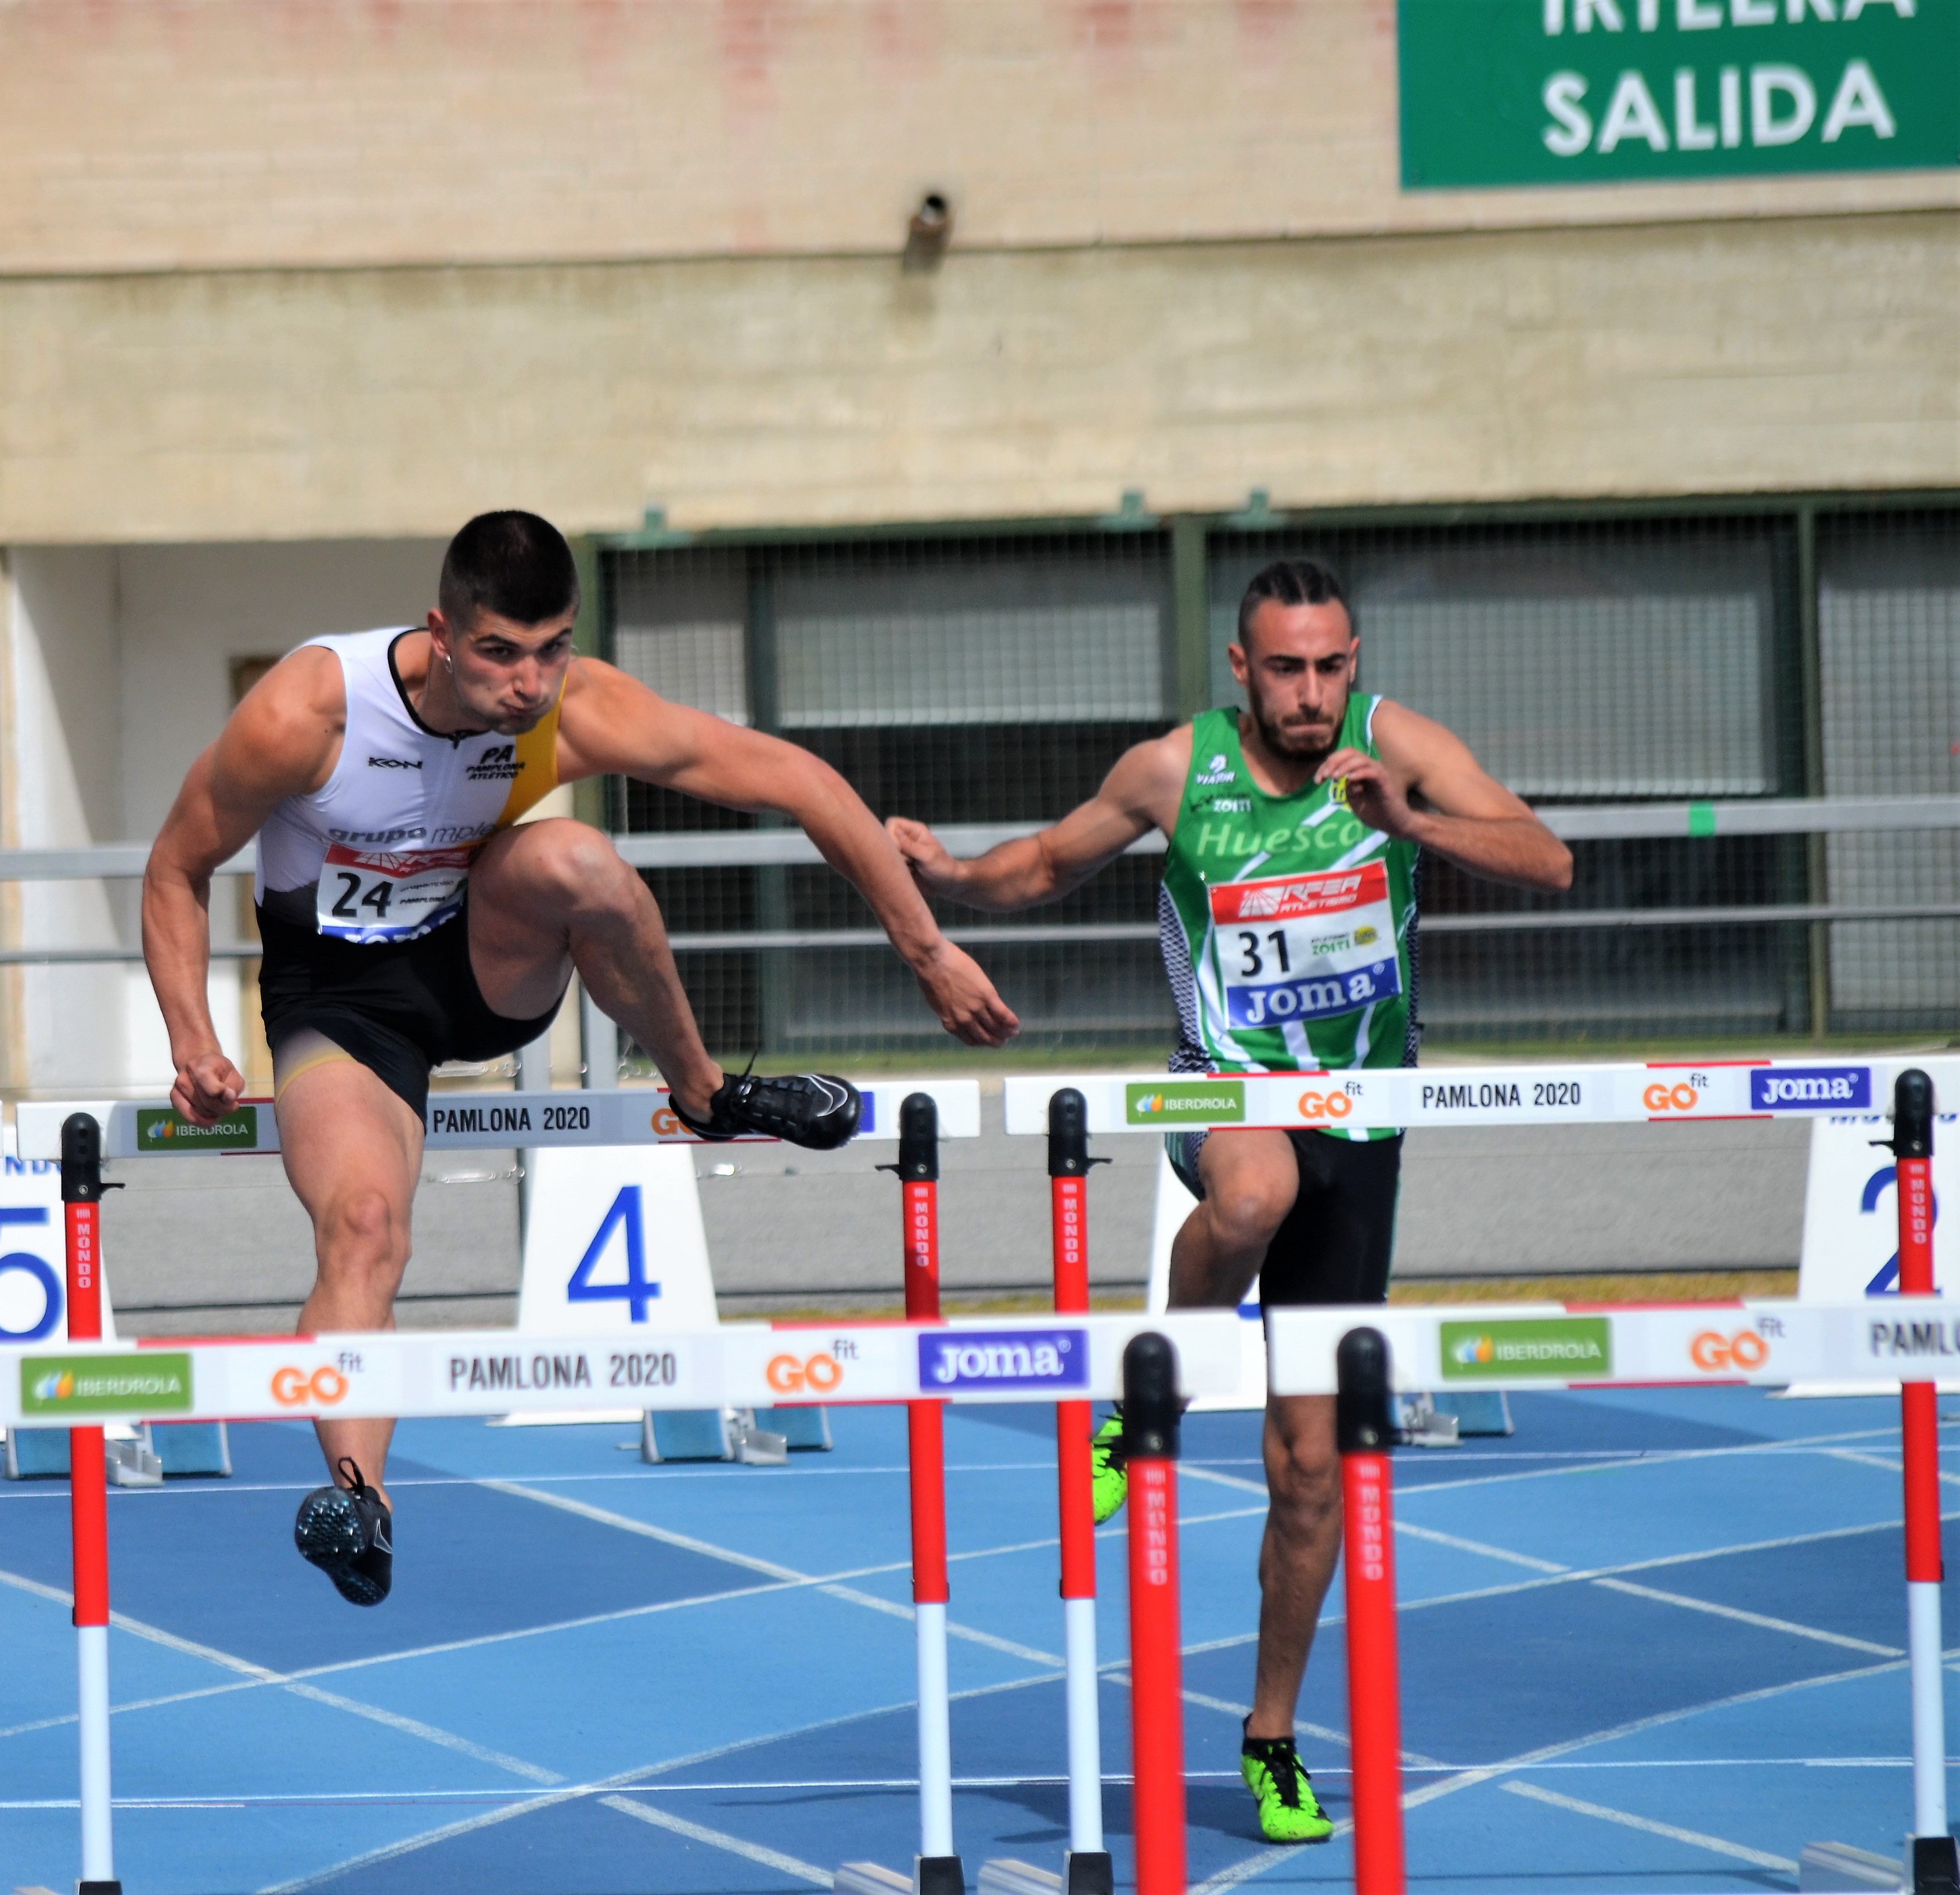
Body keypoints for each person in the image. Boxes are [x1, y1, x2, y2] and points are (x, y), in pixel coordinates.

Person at [145, 510, 1018, 1606]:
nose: (529, 682)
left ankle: (705, 1092)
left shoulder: (575, 704)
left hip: (482, 960)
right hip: (340, 1000)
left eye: (552, 647)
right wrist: (193, 1036)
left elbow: (799, 780)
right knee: (362, 1224)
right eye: (500, 653)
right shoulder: (309, 711)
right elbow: (175, 867)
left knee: (580, 860)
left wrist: (927, 952)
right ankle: (361, 1501)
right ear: (442, 634)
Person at [887, 557, 1572, 1843]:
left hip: (1361, 1122)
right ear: (1242, 668)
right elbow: (1047, 864)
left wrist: (1411, 825)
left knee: (1309, 1473)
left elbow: (1549, 859)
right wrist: (946, 874)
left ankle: (1270, 1736)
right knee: (1252, 1193)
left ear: (1354, 662)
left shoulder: (1399, 750)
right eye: (1286, 670)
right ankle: (1150, 1397)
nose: (1310, 694)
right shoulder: (1175, 769)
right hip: (1226, 1088)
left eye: (1330, 668)